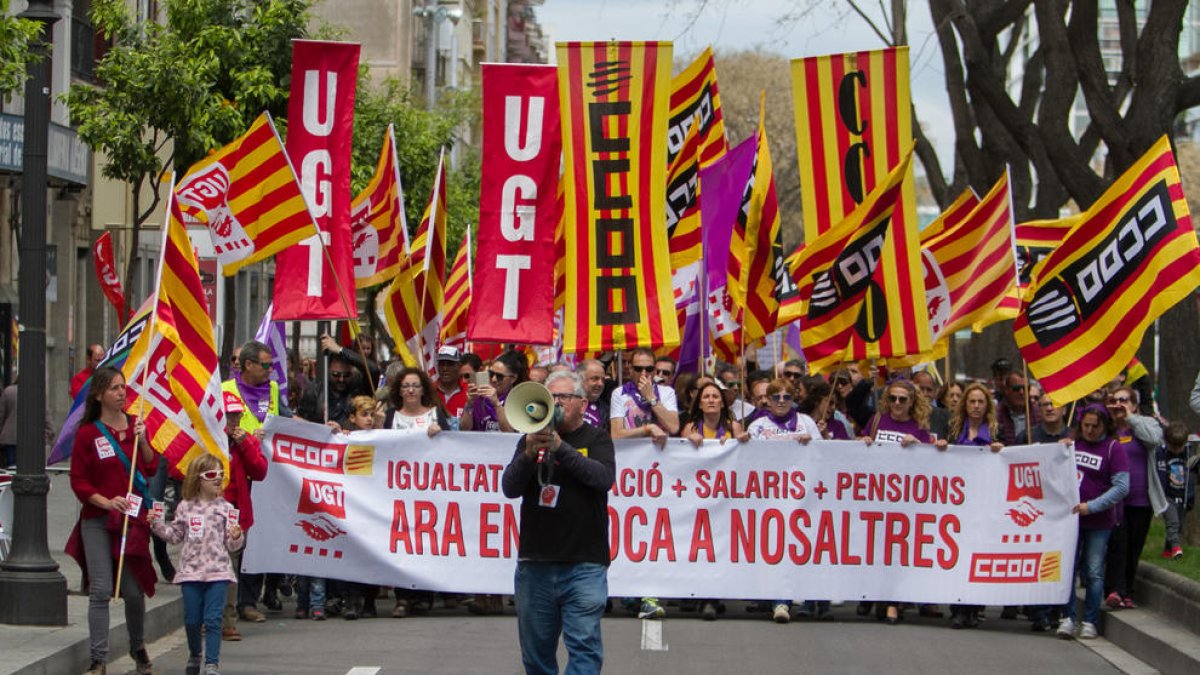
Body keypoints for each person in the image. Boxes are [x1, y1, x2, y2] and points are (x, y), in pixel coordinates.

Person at [501, 370, 616, 675]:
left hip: (584, 564)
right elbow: (509, 488)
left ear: (581, 402)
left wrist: (560, 448)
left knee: (584, 649)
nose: (555, 403)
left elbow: (602, 479)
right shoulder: (528, 439)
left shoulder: (597, 438)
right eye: (550, 397)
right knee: (536, 655)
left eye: (563, 397)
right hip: (535, 563)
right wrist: (528, 455)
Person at [66, 366, 157, 675]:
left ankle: (137, 646)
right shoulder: (88, 433)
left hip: (131, 522)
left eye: (123, 387)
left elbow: (151, 466)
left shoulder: (136, 425)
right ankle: (99, 658)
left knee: (133, 591)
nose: (122, 393)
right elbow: (79, 482)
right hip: (98, 520)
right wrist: (106, 501)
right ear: (99, 394)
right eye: (115, 388)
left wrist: (143, 441)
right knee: (101, 589)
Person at [149, 452, 244, 675]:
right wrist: (156, 524)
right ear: (198, 478)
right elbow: (175, 536)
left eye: (221, 474)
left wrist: (236, 535)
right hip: (191, 572)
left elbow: (232, 545)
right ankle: (195, 653)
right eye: (212, 474)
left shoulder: (227, 508)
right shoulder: (185, 507)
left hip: (218, 572)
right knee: (192, 620)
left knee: (212, 620)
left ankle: (212, 663)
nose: (218, 479)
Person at [222, 340, 291, 622]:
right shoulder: (225, 390)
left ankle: (247, 601)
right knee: (232, 539)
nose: (269, 370)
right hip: (233, 478)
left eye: (271, 364)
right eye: (264, 365)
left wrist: (325, 429)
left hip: (264, 475)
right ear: (247, 365)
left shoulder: (273, 390)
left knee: (257, 540)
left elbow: (288, 419)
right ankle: (225, 603)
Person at [858, 379, 932, 625]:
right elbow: (860, 447)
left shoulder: (919, 426)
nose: (897, 404)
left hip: (905, 501)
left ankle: (893, 602)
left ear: (912, 402)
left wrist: (919, 446)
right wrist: (862, 442)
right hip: (876, 497)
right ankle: (874, 596)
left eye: (902, 399)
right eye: (892, 398)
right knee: (876, 550)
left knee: (897, 552)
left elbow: (931, 461)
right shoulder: (877, 420)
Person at [377, 371, 449, 618]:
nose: (410, 390)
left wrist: (441, 432)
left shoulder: (435, 414)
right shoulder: (388, 417)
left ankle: (424, 596)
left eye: (415, 386)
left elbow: (455, 446)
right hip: (397, 492)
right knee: (401, 543)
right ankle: (403, 597)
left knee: (425, 543)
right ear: (398, 390)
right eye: (406, 386)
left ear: (422, 390)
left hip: (429, 491)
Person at [1058, 405, 1129, 640]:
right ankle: (1067, 617)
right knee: (1068, 568)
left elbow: (1121, 487)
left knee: (1094, 571)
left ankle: (1090, 620)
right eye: (1085, 425)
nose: (1089, 430)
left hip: (1099, 521)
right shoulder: (1072, 443)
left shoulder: (1113, 448)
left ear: (1104, 426)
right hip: (1071, 519)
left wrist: (1093, 506)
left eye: (1095, 426)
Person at [937, 383, 1003, 629]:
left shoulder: (997, 431)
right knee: (959, 556)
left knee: (978, 555)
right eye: (972, 401)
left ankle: (974, 608)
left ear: (987, 406)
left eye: (980, 402)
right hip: (957, 504)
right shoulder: (953, 429)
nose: (976, 406)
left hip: (984, 502)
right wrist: (942, 447)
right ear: (965, 404)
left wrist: (1000, 450)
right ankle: (957, 608)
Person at [210, 391, 268, 641]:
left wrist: (246, 443)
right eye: (229, 416)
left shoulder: (244, 441)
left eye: (236, 416)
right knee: (207, 569)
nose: (233, 422)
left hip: (234, 515)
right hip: (208, 514)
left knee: (230, 569)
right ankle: (208, 618)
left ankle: (228, 621)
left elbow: (260, 471)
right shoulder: (207, 440)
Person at [1103, 386, 1167, 609]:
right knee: (1117, 545)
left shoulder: (1146, 424)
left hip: (1141, 499)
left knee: (1133, 547)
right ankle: (1114, 590)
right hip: (1114, 500)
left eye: (1124, 400)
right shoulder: (1108, 429)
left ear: (1134, 404)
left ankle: (1128, 591)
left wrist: (1131, 418)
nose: (1119, 405)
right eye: (1114, 400)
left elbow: (1155, 440)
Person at [610, 347, 679, 445]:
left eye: (649, 369)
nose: (644, 374)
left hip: (660, 454)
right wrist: (648, 429)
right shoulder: (619, 392)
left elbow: (673, 427)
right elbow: (616, 435)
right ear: (630, 369)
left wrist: (651, 398)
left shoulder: (667, 392)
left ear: (655, 370)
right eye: (638, 369)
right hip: (632, 453)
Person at [460, 349, 526, 432]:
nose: (494, 379)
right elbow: (464, 429)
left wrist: (496, 404)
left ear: (513, 379)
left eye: (499, 376)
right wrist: (469, 404)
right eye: (491, 374)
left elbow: (509, 432)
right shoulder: (479, 394)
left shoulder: (518, 400)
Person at [1157, 421, 1194, 560]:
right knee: (1173, 522)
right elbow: (1159, 474)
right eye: (1174, 446)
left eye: (1180, 446)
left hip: (1183, 494)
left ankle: (1167, 550)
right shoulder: (1162, 453)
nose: (1177, 449)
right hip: (1168, 495)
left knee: (1179, 525)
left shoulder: (1188, 452)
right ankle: (1176, 548)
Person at [997, 372, 1039, 445]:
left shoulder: (1039, 414)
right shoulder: (995, 414)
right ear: (1006, 390)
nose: (1021, 392)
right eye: (1016, 388)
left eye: (1025, 388)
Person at [912, 370, 949, 440]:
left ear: (935, 393)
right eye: (921, 389)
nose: (924, 394)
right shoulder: (903, 414)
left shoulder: (946, 417)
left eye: (929, 390)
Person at [434, 345, 468, 419]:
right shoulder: (428, 390)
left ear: (459, 366)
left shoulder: (469, 392)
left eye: (450, 364)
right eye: (442, 364)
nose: (445, 368)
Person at [577, 359, 612, 429]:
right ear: (580, 379)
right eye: (595, 378)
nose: (600, 384)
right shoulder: (568, 405)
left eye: (603, 380)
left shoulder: (607, 410)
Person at [0, 377, 15, 469]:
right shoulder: (36, 391)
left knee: (11, 465)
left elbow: (1, 414)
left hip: (10, 436)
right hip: (31, 438)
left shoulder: (8, 391)